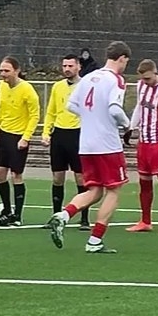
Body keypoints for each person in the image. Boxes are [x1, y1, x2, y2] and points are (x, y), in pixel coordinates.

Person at [47, 41, 132, 253]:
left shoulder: (87, 78)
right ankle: (95, 241)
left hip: (86, 144)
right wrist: (127, 125)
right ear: (122, 58)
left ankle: (64, 215)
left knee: (95, 190)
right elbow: (115, 109)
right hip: (107, 145)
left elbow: (71, 105)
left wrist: (91, 116)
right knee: (114, 190)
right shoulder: (116, 79)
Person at [125, 59, 158, 235]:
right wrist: (131, 127)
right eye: (143, 78)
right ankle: (145, 221)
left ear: (156, 72)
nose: (145, 81)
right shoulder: (141, 85)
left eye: (148, 78)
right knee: (144, 181)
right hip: (144, 141)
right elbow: (139, 107)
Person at [0, 56, 40, 227]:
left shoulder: (27, 89)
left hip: (18, 137)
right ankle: (7, 211)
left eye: (6, 71)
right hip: (4, 134)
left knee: (16, 175)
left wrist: (26, 138)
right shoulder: (3, 86)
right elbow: (1, 108)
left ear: (16, 71)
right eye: (1, 70)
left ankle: (17, 215)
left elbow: (34, 116)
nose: (3, 74)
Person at [42, 53, 91, 232]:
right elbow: (51, 111)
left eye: (70, 66)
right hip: (59, 134)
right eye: (64, 66)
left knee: (81, 177)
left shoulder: (86, 86)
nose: (67, 69)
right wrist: (46, 132)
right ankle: (56, 216)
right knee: (57, 177)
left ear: (78, 67)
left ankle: (84, 219)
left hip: (78, 134)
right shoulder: (57, 87)